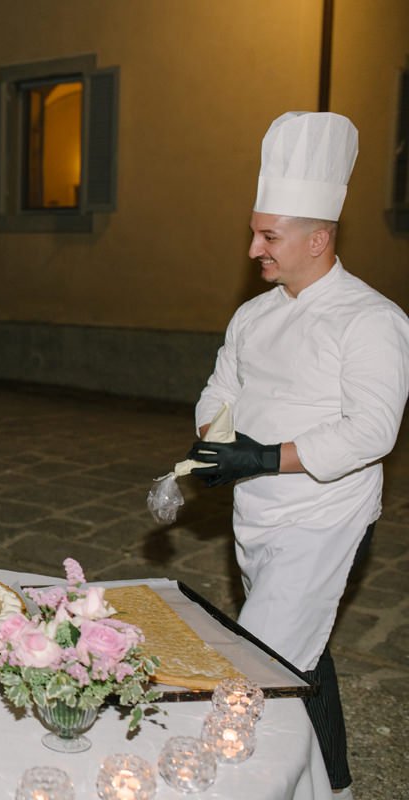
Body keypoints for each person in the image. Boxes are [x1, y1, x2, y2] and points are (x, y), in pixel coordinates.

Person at [188, 111, 409, 800]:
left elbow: (372, 431)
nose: (254, 247)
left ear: (318, 239)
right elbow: (220, 388)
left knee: (253, 667)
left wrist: (263, 458)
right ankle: (332, 786)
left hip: (324, 516)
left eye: (269, 235)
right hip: (258, 514)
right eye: (256, 231)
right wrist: (215, 446)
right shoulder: (253, 314)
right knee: (300, 656)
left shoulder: (372, 319)